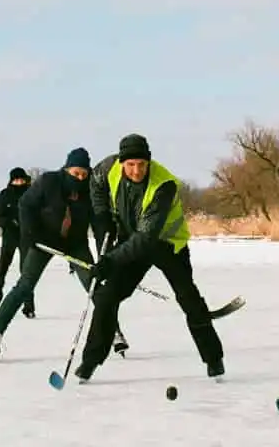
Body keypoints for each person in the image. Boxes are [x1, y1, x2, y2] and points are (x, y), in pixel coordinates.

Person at [74, 134, 225, 382]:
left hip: (166, 243)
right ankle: (90, 361)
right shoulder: (107, 168)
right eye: (131, 165)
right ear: (121, 162)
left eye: (142, 165)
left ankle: (213, 358)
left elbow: (145, 239)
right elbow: (96, 186)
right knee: (105, 296)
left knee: (187, 297)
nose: (136, 171)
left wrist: (110, 261)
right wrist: (103, 218)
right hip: (131, 239)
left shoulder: (163, 185)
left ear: (149, 163)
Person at [0, 148, 129, 360]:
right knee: (25, 285)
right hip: (44, 240)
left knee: (93, 285)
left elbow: (99, 225)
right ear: (67, 168)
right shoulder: (49, 181)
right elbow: (26, 205)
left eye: (83, 174)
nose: (79, 177)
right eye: (76, 172)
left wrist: (103, 258)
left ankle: (112, 331)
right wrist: (30, 233)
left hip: (75, 244)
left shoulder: (91, 190)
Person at [0, 167, 35, 317]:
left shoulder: (31, 193)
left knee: (27, 271)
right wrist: (10, 222)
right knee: (1, 270)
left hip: (27, 237)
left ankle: (29, 306)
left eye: (21, 180)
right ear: (11, 180)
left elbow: (38, 214)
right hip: (10, 237)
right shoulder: (5, 194)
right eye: (16, 180)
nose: (19, 182)